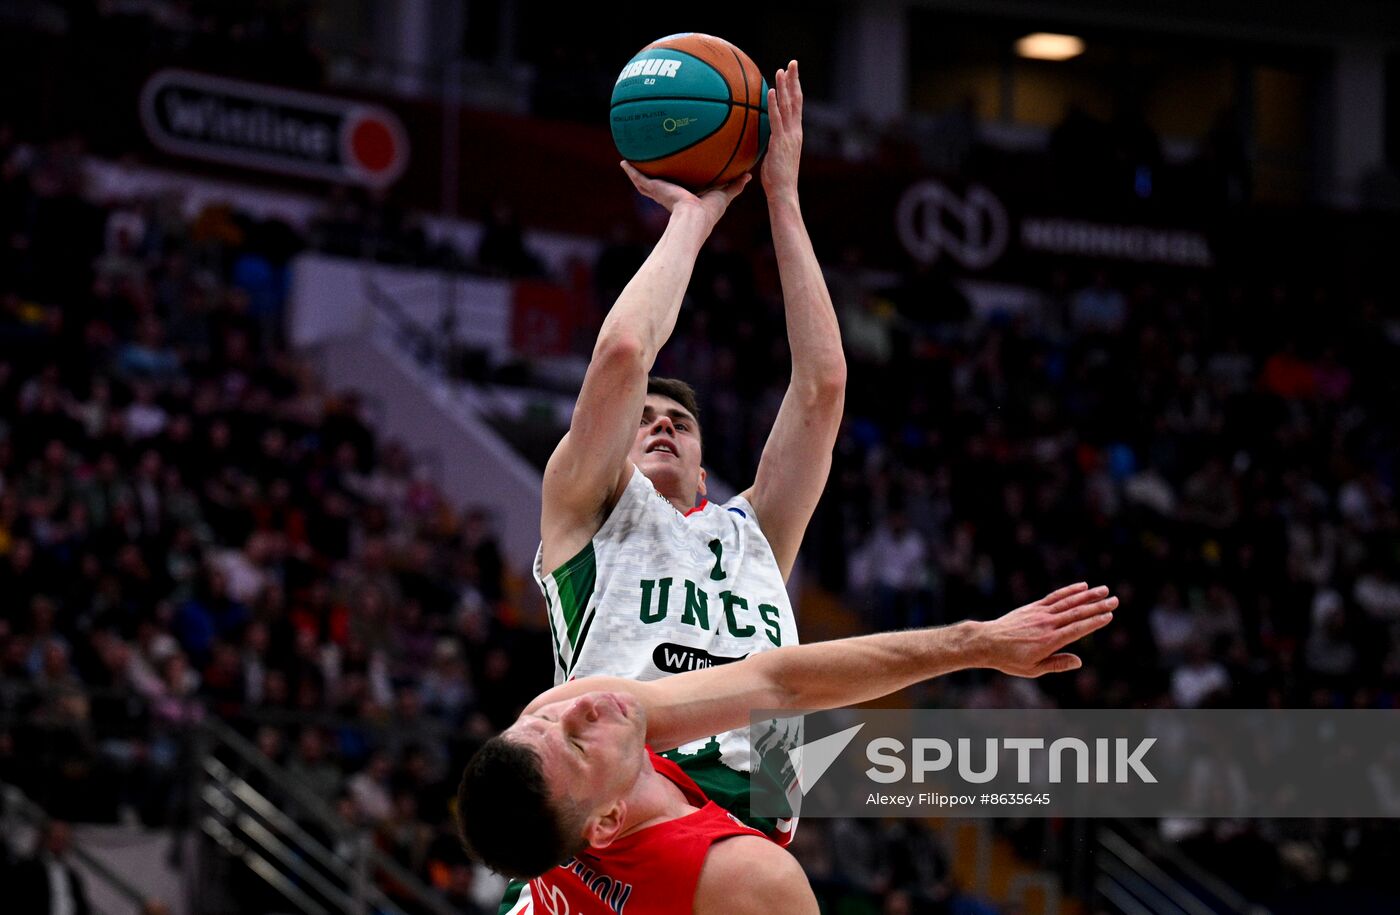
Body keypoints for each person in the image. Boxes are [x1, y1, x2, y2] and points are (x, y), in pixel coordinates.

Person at [535, 61, 844, 832]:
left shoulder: (754, 536)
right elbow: (620, 356)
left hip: (754, 825)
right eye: (642, 419)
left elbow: (823, 386)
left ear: (705, 466)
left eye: (679, 419)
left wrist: (783, 199)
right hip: (627, 808)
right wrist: (692, 218)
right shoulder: (585, 514)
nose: (661, 422)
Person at [458, 582, 1118, 913]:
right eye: (577, 738)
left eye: (544, 718)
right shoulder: (747, 876)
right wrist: (977, 643)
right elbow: (782, 685)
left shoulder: (561, 747)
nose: (581, 704)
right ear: (603, 820)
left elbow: (779, 682)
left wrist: (979, 641)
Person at [11, 820, 93, 915]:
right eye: (56, 838)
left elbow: (82, 906)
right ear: (44, 838)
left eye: (63, 840)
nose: (60, 844)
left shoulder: (71, 875)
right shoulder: (26, 869)